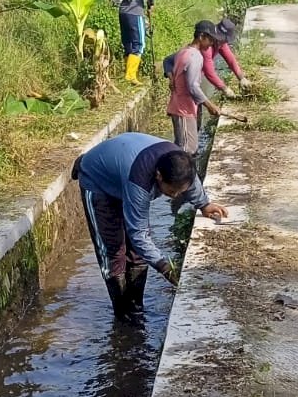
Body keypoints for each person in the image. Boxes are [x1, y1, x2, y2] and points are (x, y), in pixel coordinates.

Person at [73, 131, 229, 324]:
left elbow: (191, 182)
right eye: (171, 191)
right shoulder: (140, 180)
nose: (174, 196)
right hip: (98, 182)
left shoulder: (180, 162)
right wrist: (164, 265)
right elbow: (138, 233)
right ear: (158, 176)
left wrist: (204, 204)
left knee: (138, 255)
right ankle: (122, 314)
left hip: (123, 168)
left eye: (179, 192)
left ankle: (137, 308)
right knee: (113, 250)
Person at [167, 21, 224, 156]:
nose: (211, 44)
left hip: (182, 107)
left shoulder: (184, 51)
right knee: (187, 150)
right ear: (201, 36)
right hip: (183, 109)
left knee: (184, 146)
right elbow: (193, 86)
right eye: (210, 40)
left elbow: (168, 63)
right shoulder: (195, 56)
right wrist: (210, 105)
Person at [116, 0, 155, 84]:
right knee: (139, 44)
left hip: (123, 11)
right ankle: (130, 76)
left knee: (128, 43)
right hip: (135, 11)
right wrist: (151, 4)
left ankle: (127, 74)